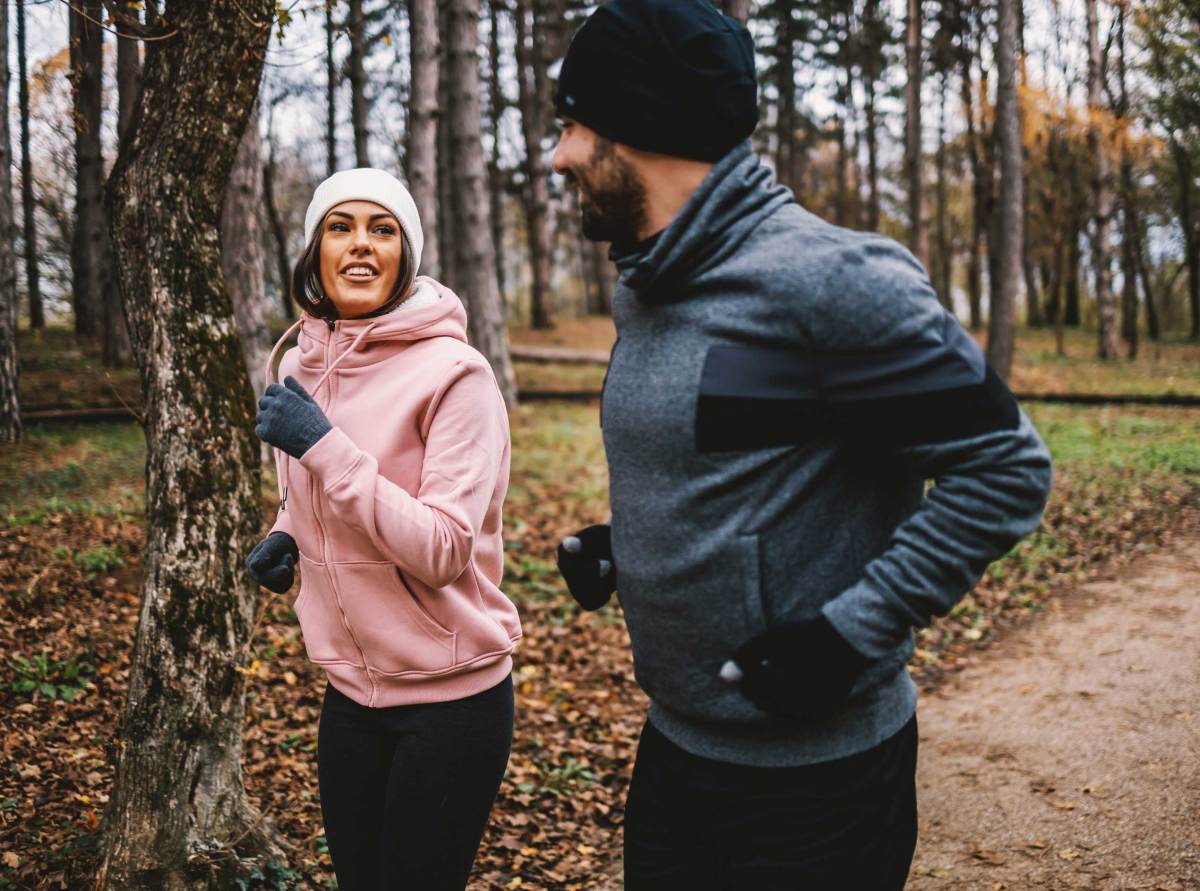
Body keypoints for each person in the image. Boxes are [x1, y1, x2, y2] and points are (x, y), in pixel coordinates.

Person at [550, 2, 1054, 888]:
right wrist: (631, 549)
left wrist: (846, 636)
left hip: (820, 792)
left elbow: (1006, 469)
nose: (558, 156)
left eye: (573, 125)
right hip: (675, 754)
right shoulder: (651, 286)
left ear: (641, 128)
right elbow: (745, 457)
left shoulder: (832, 281)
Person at [244, 168, 521, 890]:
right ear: (315, 250)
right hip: (351, 694)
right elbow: (320, 495)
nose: (360, 244)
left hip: (451, 699)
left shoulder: (457, 376)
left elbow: (442, 549)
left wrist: (324, 445)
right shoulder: (305, 360)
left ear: (407, 255)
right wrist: (286, 535)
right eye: (340, 226)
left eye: (382, 228)